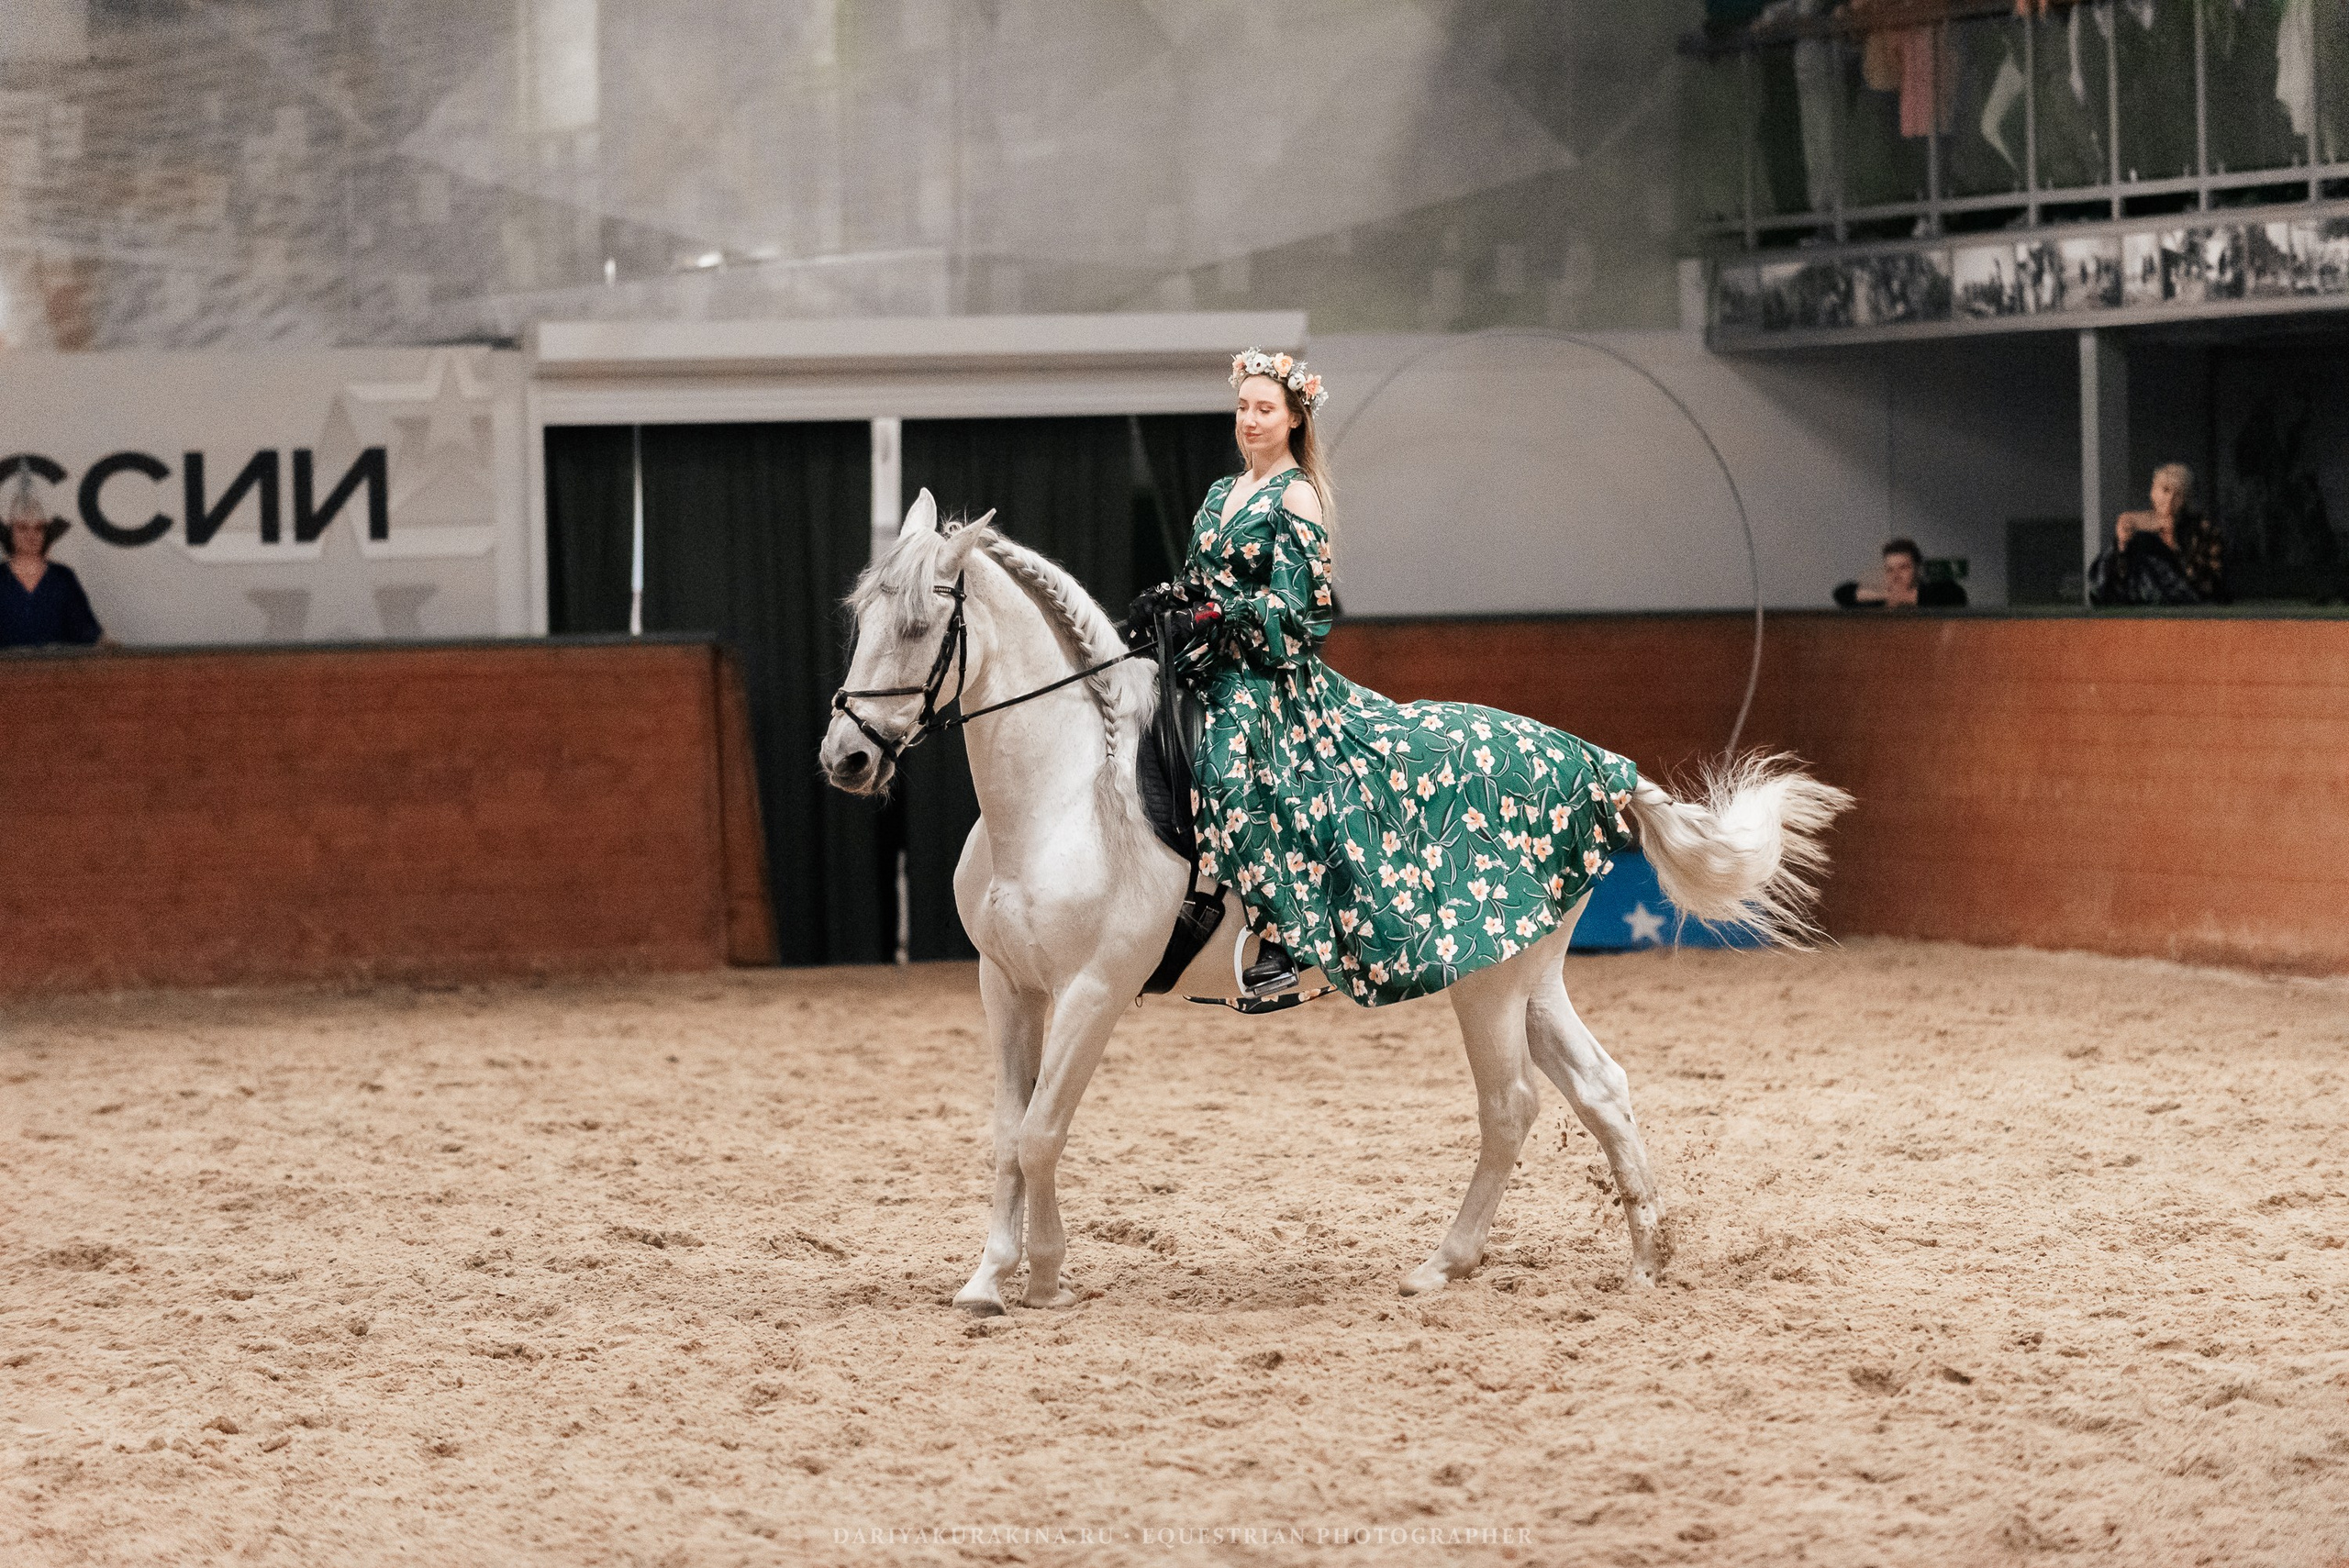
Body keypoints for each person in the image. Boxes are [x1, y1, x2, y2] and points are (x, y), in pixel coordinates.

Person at [1140, 350, 1637, 1006]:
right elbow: (1202, 581)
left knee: (1232, 767)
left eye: (1265, 409)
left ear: (1294, 419)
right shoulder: (1217, 494)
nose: (1250, 421)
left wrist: (1223, 613)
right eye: (1242, 408)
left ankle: (1281, 939)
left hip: (1266, 680)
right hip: (1205, 668)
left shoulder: (1296, 496)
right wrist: (1174, 603)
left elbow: (1301, 614)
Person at [2088, 462, 2226, 606]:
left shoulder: (2202, 528)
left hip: (2187, 591)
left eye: (2178, 494)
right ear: (2153, 493)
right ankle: (2106, 591)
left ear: (2186, 499)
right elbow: (2122, 569)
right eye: (2165, 490)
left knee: (2147, 553)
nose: (2170, 499)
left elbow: (2210, 581)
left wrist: (2171, 541)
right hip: (2140, 587)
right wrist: (2122, 543)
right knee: (2116, 552)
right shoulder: (2141, 522)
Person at [1, 472, 106, 649]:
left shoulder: (62, 577)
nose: (31, 535)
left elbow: (86, 632)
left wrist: (112, 651)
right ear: (10, 533)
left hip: (56, 666)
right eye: (23, 528)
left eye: (38, 528)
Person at [1832, 537, 1967, 608]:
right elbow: (1842, 593)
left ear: (1917, 569)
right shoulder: (1879, 599)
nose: (1895, 575)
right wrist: (1886, 596)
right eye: (1889, 570)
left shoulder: (1934, 592)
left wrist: (1905, 597)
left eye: (1903, 568)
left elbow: (1957, 596)